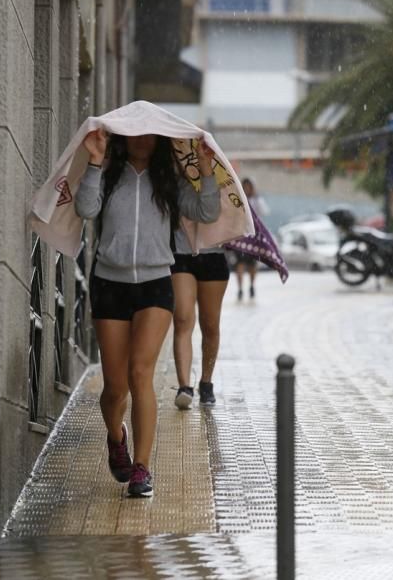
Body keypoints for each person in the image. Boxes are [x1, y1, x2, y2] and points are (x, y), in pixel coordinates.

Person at [74, 130, 220, 498]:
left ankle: (142, 468)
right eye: (134, 134)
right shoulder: (108, 175)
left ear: (158, 142)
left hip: (156, 282)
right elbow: (85, 209)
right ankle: (116, 436)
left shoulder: (167, 182)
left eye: (149, 135)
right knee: (115, 387)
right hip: (110, 284)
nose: (141, 140)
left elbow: (207, 211)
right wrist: (94, 161)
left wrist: (204, 171)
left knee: (141, 374)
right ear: (124, 138)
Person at [171, 236, 229, 410]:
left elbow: (237, 209)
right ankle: (184, 387)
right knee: (182, 320)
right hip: (180, 253)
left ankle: (206, 382)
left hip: (214, 252)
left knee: (210, 325)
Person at [234, 178, 269, 301]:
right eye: (245, 187)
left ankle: (252, 285)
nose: (247, 189)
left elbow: (264, 212)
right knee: (240, 263)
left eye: (249, 187)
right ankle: (240, 288)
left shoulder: (257, 200)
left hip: (253, 237)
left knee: (252, 264)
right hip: (241, 237)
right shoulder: (237, 199)